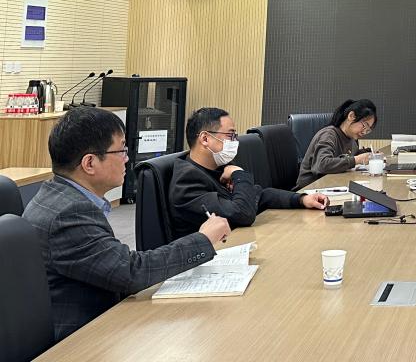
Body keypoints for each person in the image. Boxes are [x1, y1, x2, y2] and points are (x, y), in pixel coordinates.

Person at [23, 107, 231, 342]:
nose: (127, 158)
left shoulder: (62, 196)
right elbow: (132, 272)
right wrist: (203, 240)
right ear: (90, 163)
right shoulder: (68, 214)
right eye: (121, 150)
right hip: (81, 340)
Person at [169, 108, 328, 239]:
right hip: (211, 258)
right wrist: (238, 174)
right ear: (205, 139)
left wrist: (301, 199)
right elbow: (242, 214)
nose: (234, 142)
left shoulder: (219, 167)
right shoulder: (187, 181)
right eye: (230, 135)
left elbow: (259, 195)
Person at [294, 99, 377, 190]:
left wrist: (367, 154)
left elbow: (349, 155)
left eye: (368, 130)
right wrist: (357, 160)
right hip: (309, 190)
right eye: (364, 125)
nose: (364, 132)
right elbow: (322, 165)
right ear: (351, 116)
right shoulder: (328, 135)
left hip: (331, 186)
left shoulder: (351, 138)